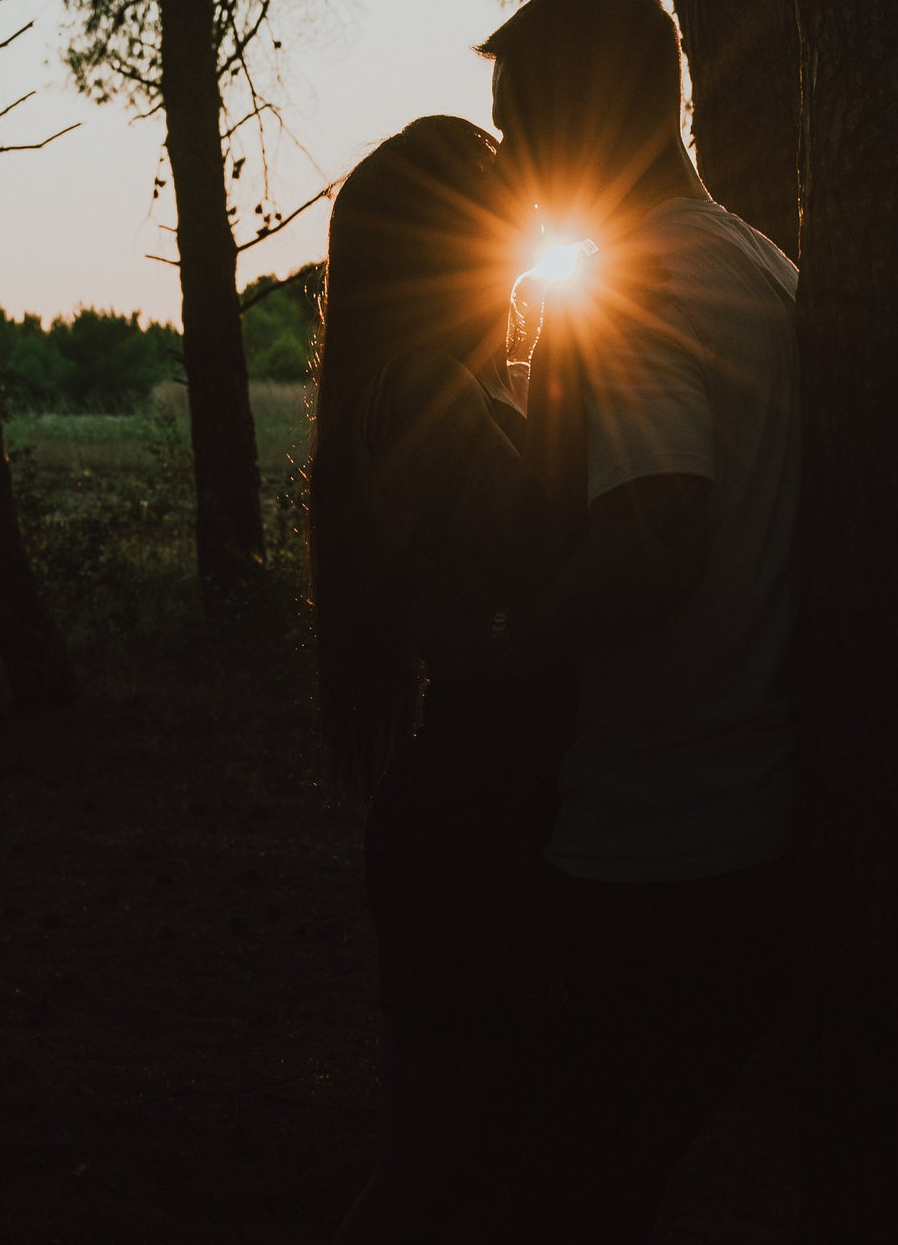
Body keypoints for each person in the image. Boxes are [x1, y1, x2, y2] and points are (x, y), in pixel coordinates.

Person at [486, 0, 803, 1240]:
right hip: (754, 811)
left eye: (516, 122)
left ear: (575, 113)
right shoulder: (757, 261)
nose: (508, 156)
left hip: (650, 840)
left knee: (575, 1189)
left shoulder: (626, 283)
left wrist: (507, 646)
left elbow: (655, 545)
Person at [316, 116, 575, 1243]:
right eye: (493, 191)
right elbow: (548, 543)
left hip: (483, 795)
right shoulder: (421, 384)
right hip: (473, 809)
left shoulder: (440, 379)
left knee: (479, 1162)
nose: (524, 203)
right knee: (437, 1170)